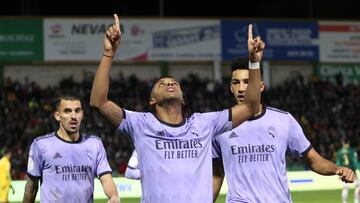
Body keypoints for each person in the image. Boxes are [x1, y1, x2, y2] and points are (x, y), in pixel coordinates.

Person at [90, 14, 264, 203]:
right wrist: (109, 53)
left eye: (174, 83)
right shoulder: (140, 124)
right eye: (161, 83)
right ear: (152, 100)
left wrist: (254, 62)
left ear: (183, 99)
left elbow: (250, 105)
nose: (170, 83)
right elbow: (99, 102)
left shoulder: (205, 124)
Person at [212, 58, 356, 203]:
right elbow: (217, 174)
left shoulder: (283, 120)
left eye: (247, 81)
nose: (241, 88)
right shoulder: (219, 126)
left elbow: (313, 160)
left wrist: (338, 169)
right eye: (236, 82)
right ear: (231, 87)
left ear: (260, 86)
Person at [22, 93, 120, 203]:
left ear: (82, 114)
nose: (73, 116)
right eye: (67, 111)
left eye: (77, 111)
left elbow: (106, 178)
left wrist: (114, 196)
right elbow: (31, 187)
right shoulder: (41, 145)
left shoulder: (94, 144)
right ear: (57, 115)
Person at [336, 136, 360, 203]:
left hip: (343, 172)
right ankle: (356, 200)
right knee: (358, 186)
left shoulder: (339, 152)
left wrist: (338, 172)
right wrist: (358, 168)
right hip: (352, 172)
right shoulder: (352, 150)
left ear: (342, 143)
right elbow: (355, 161)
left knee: (345, 188)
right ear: (349, 142)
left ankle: (344, 202)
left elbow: (338, 163)